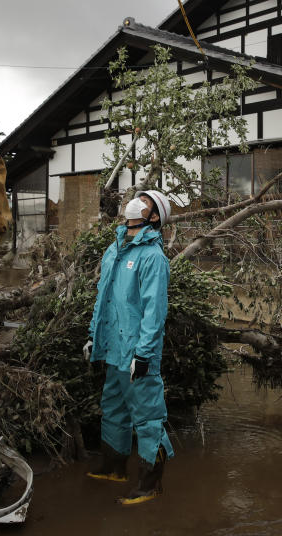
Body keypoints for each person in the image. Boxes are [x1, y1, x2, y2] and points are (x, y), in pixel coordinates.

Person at [83, 189, 175, 505]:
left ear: (154, 217)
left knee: (148, 417)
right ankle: (113, 467)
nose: (135, 203)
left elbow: (154, 312)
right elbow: (103, 298)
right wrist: (94, 335)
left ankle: (151, 484)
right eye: (138, 199)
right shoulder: (114, 249)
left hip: (137, 353)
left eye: (146, 202)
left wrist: (145, 354)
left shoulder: (153, 258)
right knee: (113, 407)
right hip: (113, 348)